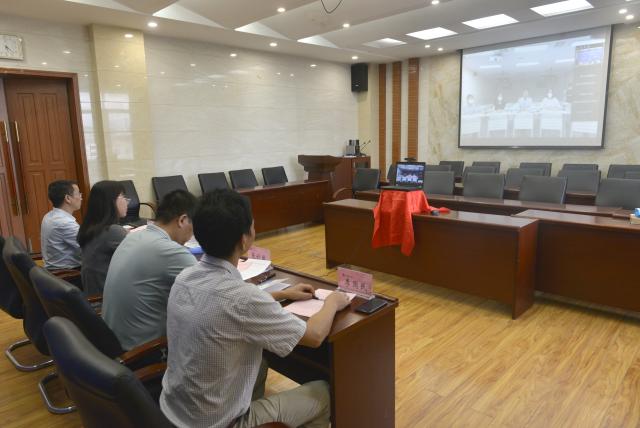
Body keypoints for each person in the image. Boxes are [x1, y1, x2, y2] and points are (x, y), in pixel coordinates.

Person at [160, 189, 350, 428]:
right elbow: (314, 336)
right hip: (218, 423)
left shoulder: (185, 277)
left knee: (259, 365)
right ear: (244, 239)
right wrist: (333, 301)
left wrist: (283, 294)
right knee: (323, 392)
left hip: (173, 411)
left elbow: (227, 303)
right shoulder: (242, 299)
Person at [101, 189, 198, 351]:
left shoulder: (133, 237)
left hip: (112, 341)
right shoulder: (170, 250)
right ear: (182, 220)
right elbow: (211, 293)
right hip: (144, 351)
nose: (192, 235)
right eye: (193, 226)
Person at [77, 180, 129, 296]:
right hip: (106, 299)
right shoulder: (113, 231)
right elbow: (139, 259)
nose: (127, 201)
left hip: (94, 295)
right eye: (123, 197)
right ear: (111, 201)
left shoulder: (90, 228)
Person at [40, 180, 82, 270]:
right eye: (78, 194)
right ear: (68, 198)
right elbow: (88, 249)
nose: (81, 198)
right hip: (69, 273)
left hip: (53, 270)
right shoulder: (64, 222)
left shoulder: (49, 215)